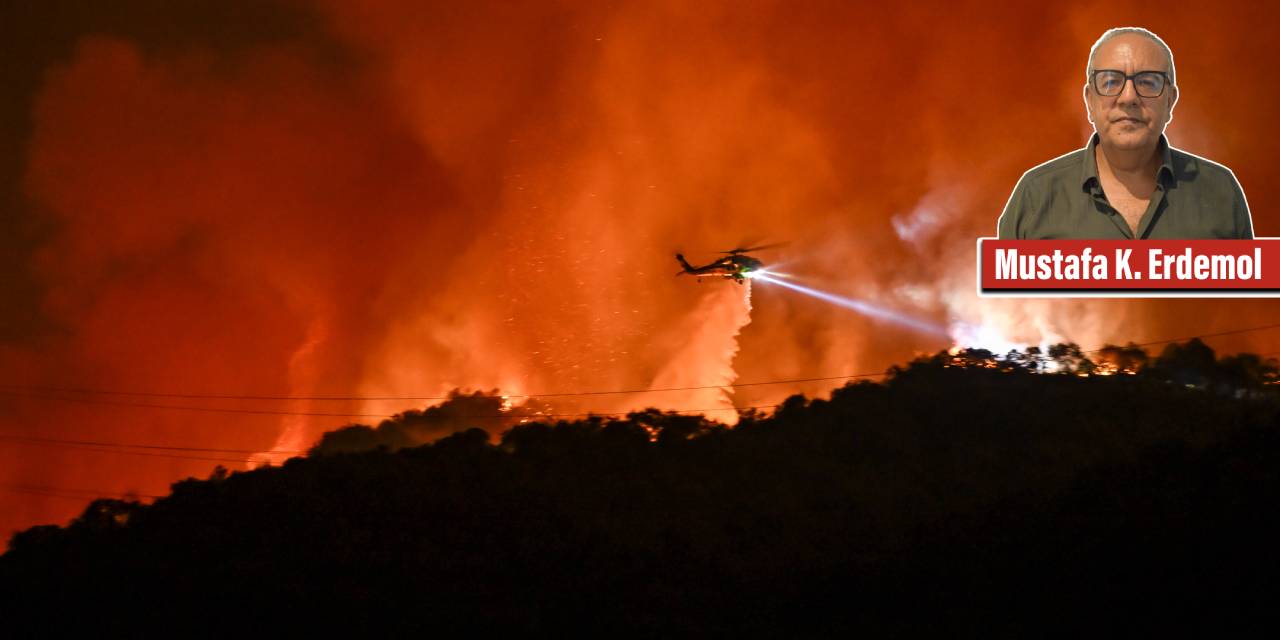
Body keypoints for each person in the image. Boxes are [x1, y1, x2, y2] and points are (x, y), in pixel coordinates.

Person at [997, 27, 1253, 239]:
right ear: (1089, 100)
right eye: (1110, 82)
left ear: (1170, 101)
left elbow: (1245, 301)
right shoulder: (1036, 196)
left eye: (1147, 82)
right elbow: (1003, 301)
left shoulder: (1220, 191)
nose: (1128, 97)